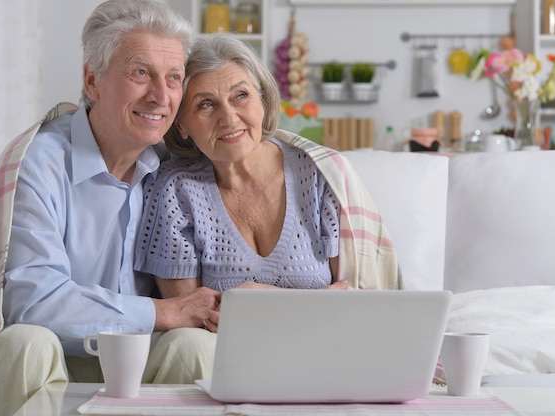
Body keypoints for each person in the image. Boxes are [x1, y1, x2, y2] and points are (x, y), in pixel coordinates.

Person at [0, 2, 219, 416]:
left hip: (142, 363)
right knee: (25, 342)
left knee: (195, 345)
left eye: (174, 77)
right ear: (92, 80)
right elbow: (33, 300)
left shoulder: (177, 167)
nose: (161, 96)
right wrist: (162, 311)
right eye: (140, 73)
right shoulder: (38, 163)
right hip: (55, 364)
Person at [134, 33, 404, 322]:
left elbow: (357, 302)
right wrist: (311, 303)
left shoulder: (319, 174)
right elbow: (188, 321)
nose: (229, 117)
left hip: (327, 346)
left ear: (262, 101)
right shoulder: (175, 189)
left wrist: (252, 301)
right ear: (181, 124)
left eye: (241, 96)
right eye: (206, 105)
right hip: (223, 358)